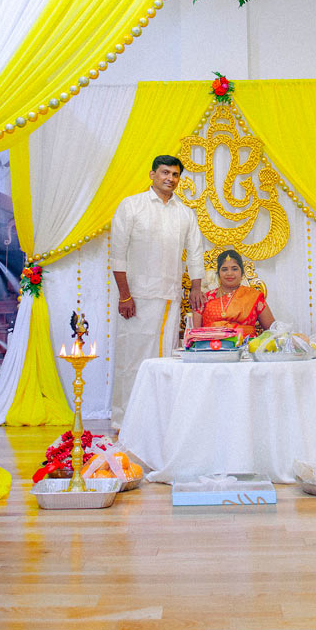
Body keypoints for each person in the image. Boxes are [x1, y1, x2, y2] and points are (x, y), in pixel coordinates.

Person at [110, 155, 204, 428]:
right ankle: (124, 422)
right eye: (165, 173)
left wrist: (195, 288)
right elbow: (118, 255)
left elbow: (195, 253)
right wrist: (124, 295)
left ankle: (158, 422)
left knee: (164, 360)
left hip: (169, 298)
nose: (170, 179)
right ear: (152, 175)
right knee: (132, 361)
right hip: (136, 298)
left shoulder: (184, 213)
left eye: (175, 175)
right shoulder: (132, 206)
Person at [192, 248, 274, 340]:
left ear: (242, 273)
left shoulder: (254, 297)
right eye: (224, 269)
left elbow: (272, 330)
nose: (229, 273)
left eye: (234, 269)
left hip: (245, 350)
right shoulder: (204, 298)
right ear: (218, 273)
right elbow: (195, 334)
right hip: (211, 350)